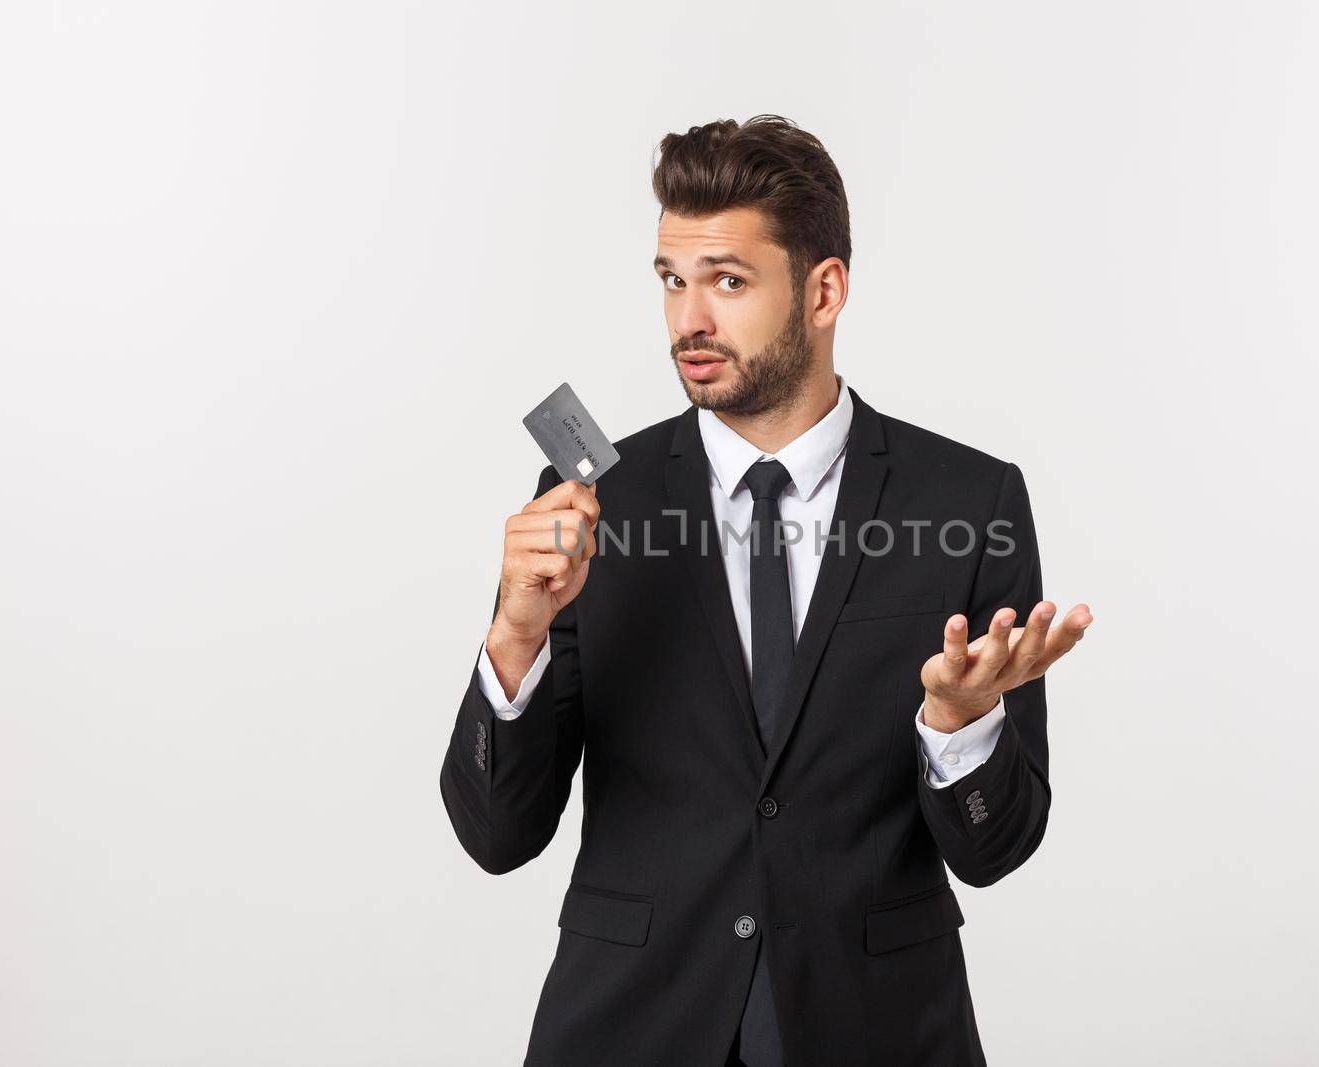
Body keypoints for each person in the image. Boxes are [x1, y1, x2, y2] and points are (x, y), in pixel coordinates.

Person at [440, 114, 1094, 1067]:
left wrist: (958, 724)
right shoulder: (588, 509)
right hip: (631, 1028)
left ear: (823, 289)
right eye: (673, 280)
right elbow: (498, 836)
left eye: (728, 281)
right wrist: (516, 636)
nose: (688, 321)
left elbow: (997, 849)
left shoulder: (968, 499)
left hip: (879, 1030)